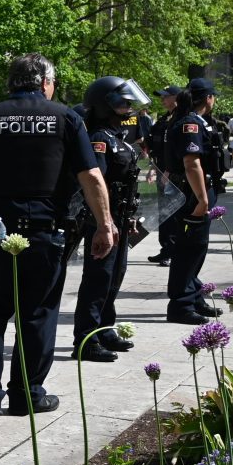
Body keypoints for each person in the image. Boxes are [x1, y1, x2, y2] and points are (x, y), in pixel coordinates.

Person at [0, 53, 114, 418]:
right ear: (46, 83)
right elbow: (91, 177)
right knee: (37, 313)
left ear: (12, 83)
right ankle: (27, 394)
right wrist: (105, 225)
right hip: (44, 232)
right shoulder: (67, 118)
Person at [72, 76, 148, 362]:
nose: (128, 107)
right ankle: (86, 339)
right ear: (104, 105)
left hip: (120, 216)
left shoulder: (117, 137)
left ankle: (104, 330)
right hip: (102, 219)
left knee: (114, 276)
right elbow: (96, 183)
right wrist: (104, 221)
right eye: (121, 101)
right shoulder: (98, 139)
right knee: (98, 278)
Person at [164, 78, 225, 323]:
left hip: (192, 190)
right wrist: (202, 199)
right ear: (208, 98)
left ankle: (194, 296)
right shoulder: (190, 123)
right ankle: (181, 304)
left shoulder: (189, 120)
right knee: (190, 248)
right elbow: (192, 163)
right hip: (191, 193)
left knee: (195, 247)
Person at [146, 85, 181, 266]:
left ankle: (172, 250)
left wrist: (168, 170)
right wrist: (153, 167)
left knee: (171, 214)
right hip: (161, 171)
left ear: (176, 97)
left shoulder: (180, 118)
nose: (162, 100)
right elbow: (156, 146)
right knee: (163, 214)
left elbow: (175, 150)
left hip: (172, 175)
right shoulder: (164, 119)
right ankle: (165, 248)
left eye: (166, 96)